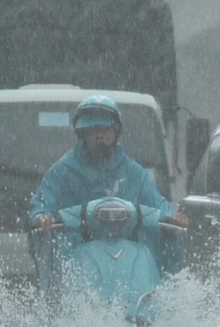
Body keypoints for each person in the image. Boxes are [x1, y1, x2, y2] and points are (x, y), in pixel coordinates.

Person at [29, 95, 187, 292]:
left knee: (168, 240)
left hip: (127, 248)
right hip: (74, 248)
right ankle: (56, 306)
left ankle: (168, 295)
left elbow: (156, 202)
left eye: (105, 129)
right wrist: (42, 217)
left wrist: (171, 218)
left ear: (116, 131)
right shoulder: (63, 171)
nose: (100, 136)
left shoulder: (133, 171)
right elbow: (43, 201)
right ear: (82, 134)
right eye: (94, 130)